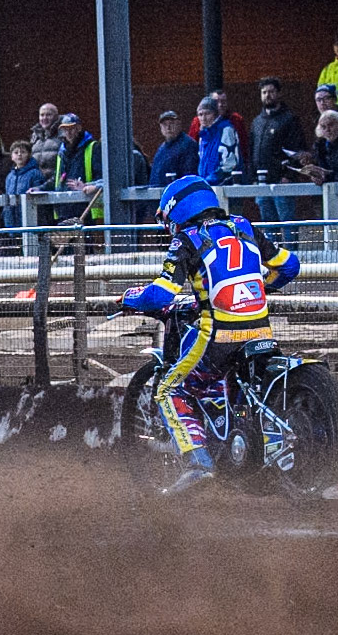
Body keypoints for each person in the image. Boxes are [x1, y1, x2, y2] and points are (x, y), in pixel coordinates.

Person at [120, 175, 300, 494]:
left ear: (176, 212)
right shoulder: (244, 226)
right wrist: (260, 286)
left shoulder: (186, 240)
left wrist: (128, 297)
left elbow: (162, 294)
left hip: (219, 335)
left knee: (169, 390)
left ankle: (199, 464)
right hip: (260, 330)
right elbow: (290, 266)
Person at [250, 77, 305, 240]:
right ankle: (273, 261)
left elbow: (297, 150)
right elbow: (252, 151)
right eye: (264, 92)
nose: (268, 95)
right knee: (268, 226)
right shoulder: (257, 122)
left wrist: (289, 176)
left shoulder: (289, 119)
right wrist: (253, 178)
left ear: (279, 94)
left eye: (271, 92)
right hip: (261, 183)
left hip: (282, 181)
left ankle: (293, 257)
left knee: (287, 223)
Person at [50, 113, 103, 223]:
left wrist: (88, 186)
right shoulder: (62, 152)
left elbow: (102, 176)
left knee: (85, 239)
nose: (68, 132)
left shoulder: (93, 147)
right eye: (65, 129)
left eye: (71, 128)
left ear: (78, 128)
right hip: (64, 208)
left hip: (85, 208)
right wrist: (39, 189)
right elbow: (56, 178)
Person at [196, 96, 242, 185]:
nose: (203, 118)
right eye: (200, 114)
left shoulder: (225, 130)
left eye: (207, 113)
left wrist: (213, 179)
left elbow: (230, 163)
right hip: (207, 184)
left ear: (215, 114)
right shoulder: (203, 135)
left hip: (224, 183)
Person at [150, 110, 200, 188]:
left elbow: (189, 175)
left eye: (171, 123)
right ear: (160, 128)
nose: (168, 127)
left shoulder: (188, 145)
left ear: (179, 124)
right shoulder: (161, 149)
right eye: (165, 124)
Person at [2, 140, 43, 228]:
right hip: (12, 219)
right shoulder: (9, 177)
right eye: (16, 152)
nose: (19, 154)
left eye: (23, 152)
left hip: (30, 217)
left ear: (28, 155)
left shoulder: (35, 173)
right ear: (12, 157)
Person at [29, 103, 64, 176]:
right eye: (42, 115)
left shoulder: (63, 134)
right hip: (36, 183)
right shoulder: (35, 136)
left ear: (56, 117)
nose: (44, 118)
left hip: (56, 184)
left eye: (48, 115)